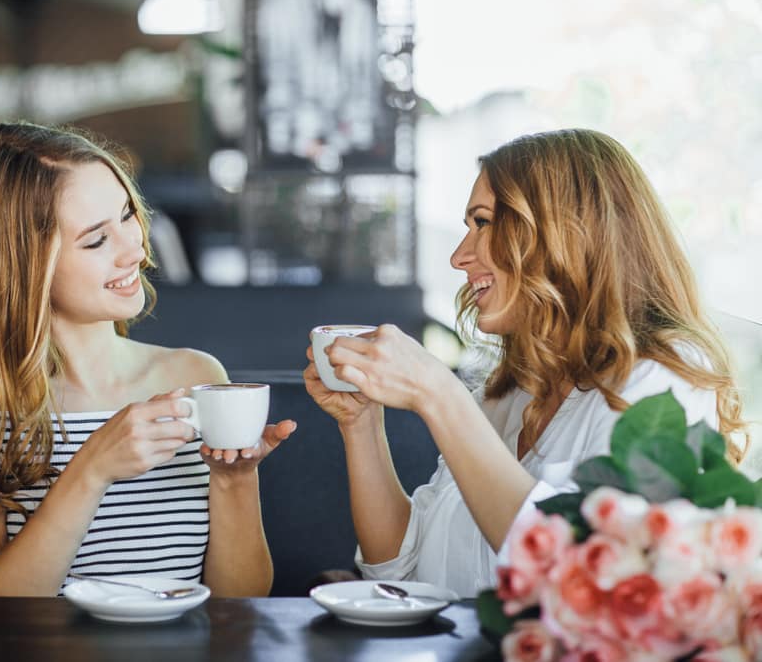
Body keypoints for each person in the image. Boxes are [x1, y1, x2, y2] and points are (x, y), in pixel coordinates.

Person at [304, 128, 747, 598]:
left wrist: (438, 393)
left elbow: (592, 586)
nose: (459, 256)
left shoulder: (662, 378)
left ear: (564, 234)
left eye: (483, 222)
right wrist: (362, 425)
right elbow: (399, 574)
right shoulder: (512, 392)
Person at [0, 122, 296, 597]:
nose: (135, 249)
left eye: (128, 215)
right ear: (22, 265)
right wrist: (92, 469)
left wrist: (235, 482)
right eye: (95, 239)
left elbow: (240, 604)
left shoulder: (196, 377)